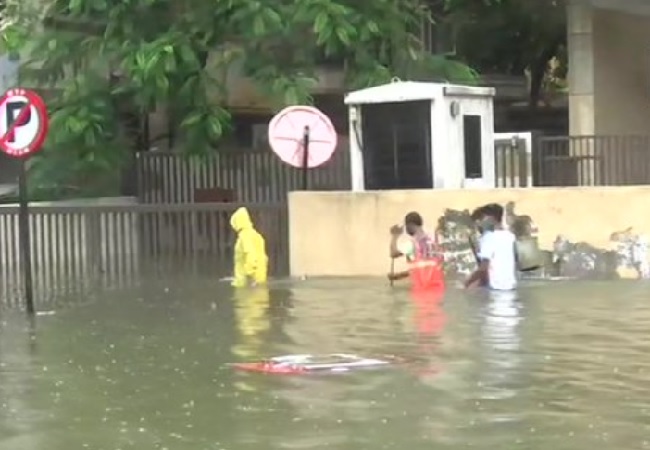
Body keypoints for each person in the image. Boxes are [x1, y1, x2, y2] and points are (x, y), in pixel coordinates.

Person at [465, 203, 517, 291]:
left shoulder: (488, 237)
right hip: (510, 287)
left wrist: (467, 284)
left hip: (494, 289)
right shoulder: (510, 236)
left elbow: (484, 267)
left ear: (490, 219)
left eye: (480, 220)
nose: (478, 225)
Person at [388, 211, 445, 290]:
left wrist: (395, 235)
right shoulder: (434, 239)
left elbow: (393, 253)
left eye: (406, 226)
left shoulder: (412, 244)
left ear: (410, 225)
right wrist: (400, 275)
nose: (406, 230)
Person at [229, 206, 268, 288]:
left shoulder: (245, 236)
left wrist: (250, 275)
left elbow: (251, 255)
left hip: (247, 283)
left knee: (246, 300)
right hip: (259, 279)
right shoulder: (255, 234)